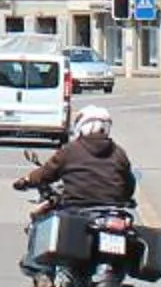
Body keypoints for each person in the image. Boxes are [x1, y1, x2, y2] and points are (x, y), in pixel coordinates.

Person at [10, 106, 138, 276]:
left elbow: (46, 173)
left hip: (77, 209)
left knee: (42, 221)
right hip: (113, 212)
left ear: (81, 126)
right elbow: (129, 183)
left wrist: (26, 180)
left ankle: (40, 269)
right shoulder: (119, 153)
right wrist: (125, 197)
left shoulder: (70, 150)